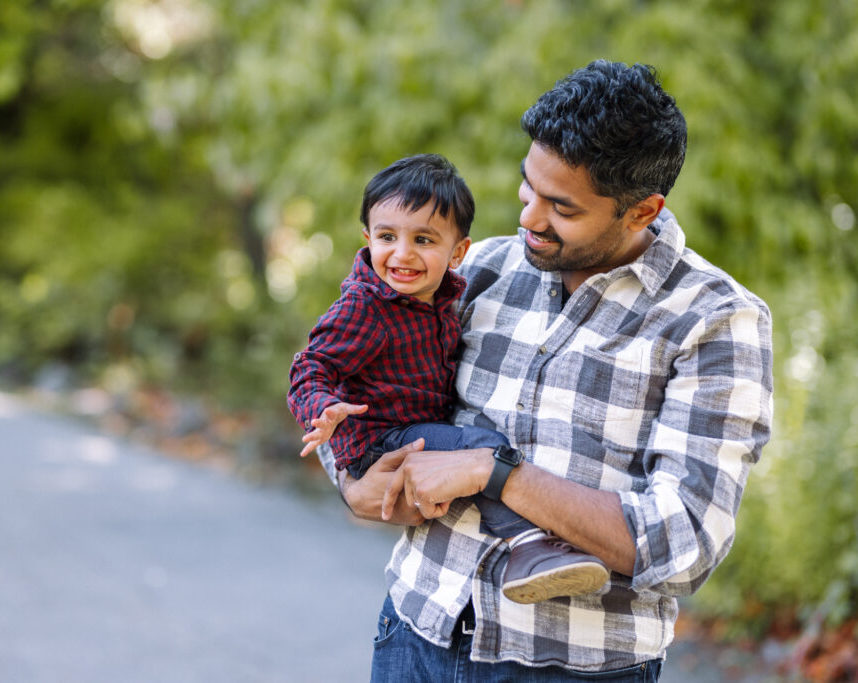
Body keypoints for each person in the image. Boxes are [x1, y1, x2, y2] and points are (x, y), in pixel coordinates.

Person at [319, 60, 773, 681]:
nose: (530, 217)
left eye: (561, 207)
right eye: (528, 188)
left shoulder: (714, 319)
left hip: (573, 666)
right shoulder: (479, 271)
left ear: (643, 211)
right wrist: (350, 479)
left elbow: (685, 543)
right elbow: (350, 375)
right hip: (415, 634)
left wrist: (495, 472)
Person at [288, 153, 609, 606]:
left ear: (458, 252)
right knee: (483, 449)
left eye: (423, 239)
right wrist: (322, 410)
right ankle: (530, 548)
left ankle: (530, 546)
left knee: (474, 453)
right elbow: (312, 366)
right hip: (384, 439)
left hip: (411, 428)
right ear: (368, 239)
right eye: (386, 237)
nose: (402, 254)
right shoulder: (366, 306)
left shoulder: (444, 295)